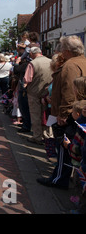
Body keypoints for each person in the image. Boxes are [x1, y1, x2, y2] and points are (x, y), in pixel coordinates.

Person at [37, 35, 86, 190]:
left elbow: (70, 93)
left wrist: (64, 115)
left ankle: (59, 179)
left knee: (65, 149)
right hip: (76, 113)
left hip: (69, 115)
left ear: (66, 50)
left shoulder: (71, 66)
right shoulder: (82, 61)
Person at [24, 47, 53, 145]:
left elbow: (27, 79)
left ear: (32, 54)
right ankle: (47, 135)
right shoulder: (51, 61)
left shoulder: (33, 63)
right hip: (47, 93)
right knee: (46, 114)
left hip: (34, 92)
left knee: (36, 115)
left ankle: (37, 136)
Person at [13, 43, 32, 134]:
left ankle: (26, 125)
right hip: (24, 87)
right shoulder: (27, 63)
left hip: (24, 88)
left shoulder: (27, 64)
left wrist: (16, 63)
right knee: (24, 107)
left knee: (24, 107)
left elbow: (16, 70)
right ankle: (25, 123)